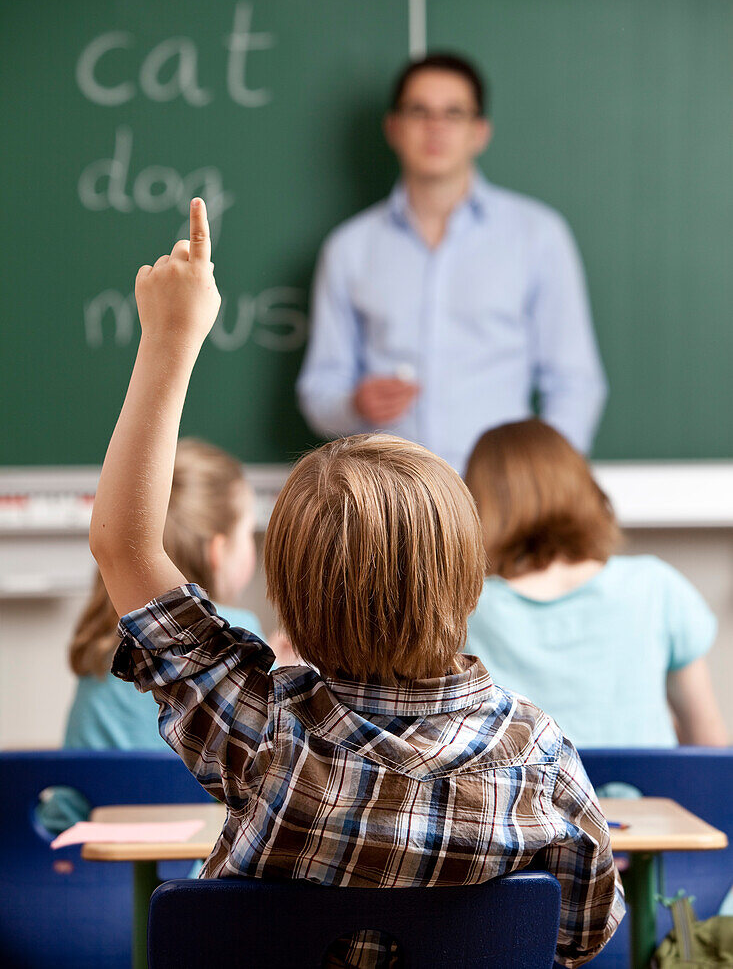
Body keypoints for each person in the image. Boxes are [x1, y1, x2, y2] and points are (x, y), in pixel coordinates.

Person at [89, 199, 623, 969]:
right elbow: (573, 935)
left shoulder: (264, 734)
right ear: (470, 584)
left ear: (290, 607)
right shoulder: (535, 759)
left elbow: (124, 545)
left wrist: (169, 341)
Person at [297, 53, 607, 474]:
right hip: (392, 500)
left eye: (453, 113)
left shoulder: (538, 235)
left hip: (502, 494)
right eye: (418, 111)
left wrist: (541, 481)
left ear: (479, 132)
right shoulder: (349, 248)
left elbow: (574, 383)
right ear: (393, 128)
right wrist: (353, 405)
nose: (435, 127)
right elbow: (319, 390)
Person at [38, 438, 264, 834]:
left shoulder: (108, 636)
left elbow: (65, 808)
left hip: (76, 865)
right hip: (190, 872)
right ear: (218, 550)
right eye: (249, 531)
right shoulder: (241, 632)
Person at [464, 418, 728, 749]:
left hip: (521, 800)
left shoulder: (463, 607)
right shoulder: (654, 586)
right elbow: (706, 741)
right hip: (641, 799)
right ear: (583, 487)